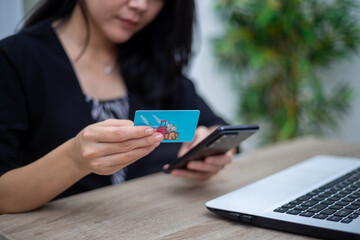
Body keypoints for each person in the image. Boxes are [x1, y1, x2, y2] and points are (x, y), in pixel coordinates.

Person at [0, 0, 233, 214]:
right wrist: (74, 159)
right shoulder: (15, 59)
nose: (140, 5)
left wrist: (213, 149)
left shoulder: (152, 58)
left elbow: (218, 127)